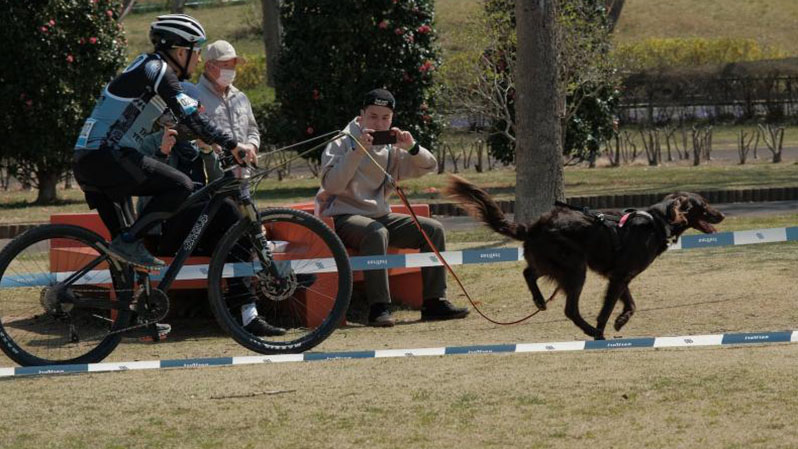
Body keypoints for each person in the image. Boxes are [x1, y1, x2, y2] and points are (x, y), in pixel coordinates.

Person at [72, 14, 283, 337]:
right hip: (108, 156)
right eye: (194, 50)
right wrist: (231, 143)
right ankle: (127, 243)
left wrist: (205, 142)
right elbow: (193, 115)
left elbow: (182, 124)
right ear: (178, 50)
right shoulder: (158, 71)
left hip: (90, 158)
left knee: (128, 255)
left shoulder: (146, 71)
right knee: (180, 186)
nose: (197, 57)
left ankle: (139, 318)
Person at [315, 89, 469, 327]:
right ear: (361, 115)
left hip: (378, 215)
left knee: (433, 229)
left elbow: (429, 166)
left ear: (392, 119)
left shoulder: (389, 146)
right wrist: (357, 152)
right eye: (373, 117)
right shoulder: (342, 142)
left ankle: (434, 302)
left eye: (385, 118)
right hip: (341, 217)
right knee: (376, 232)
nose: (379, 123)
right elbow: (332, 185)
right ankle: (379, 308)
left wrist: (411, 146)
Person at [193, 40, 260, 161]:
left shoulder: (241, 97)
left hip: (245, 173)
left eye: (233, 66)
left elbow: (252, 129)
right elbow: (193, 138)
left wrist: (251, 146)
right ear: (209, 66)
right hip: (214, 175)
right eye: (225, 65)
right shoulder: (194, 97)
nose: (231, 71)